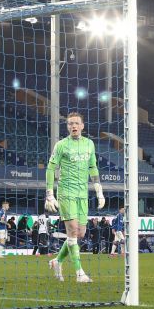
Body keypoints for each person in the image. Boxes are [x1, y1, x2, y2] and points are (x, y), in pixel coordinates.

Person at [45, 112, 104, 283]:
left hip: (82, 193)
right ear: (67, 127)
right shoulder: (61, 145)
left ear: (82, 126)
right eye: (70, 124)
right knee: (71, 231)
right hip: (66, 192)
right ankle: (80, 273)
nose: (73, 126)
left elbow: (93, 167)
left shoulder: (89, 144)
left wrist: (99, 191)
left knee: (80, 233)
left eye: (76, 123)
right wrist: (50, 193)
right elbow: (50, 168)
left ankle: (57, 261)